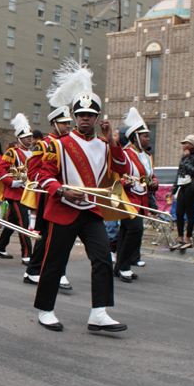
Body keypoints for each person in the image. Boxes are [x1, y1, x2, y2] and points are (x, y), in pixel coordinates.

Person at [32, 60, 129, 333]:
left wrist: (113, 142)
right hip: (63, 208)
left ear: (98, 118)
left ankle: (99, 312)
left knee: (102, 259)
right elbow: (42, 176)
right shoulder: (59, 145)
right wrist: (61, 189)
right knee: (55, 260)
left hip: (91, 210)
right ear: (74, 117)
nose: (85, 119)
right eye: (81, 114)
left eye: (90, 115)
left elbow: (123, 169)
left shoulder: (104, 144)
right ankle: (46, 309)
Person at [21, 97, 73, 290]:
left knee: (54, 236)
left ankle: (35, 270)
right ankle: (49, 272)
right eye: (63, 123)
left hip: (68, 195)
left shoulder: (70, 143)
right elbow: (32, 172)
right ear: (53, 124)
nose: (67, 126)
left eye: (68, 122)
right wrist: (52, 184)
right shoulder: (43, 145)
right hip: (48, 195)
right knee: (51, 235)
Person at [114, 108, 157, 282]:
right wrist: (126, 183)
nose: (148, 138)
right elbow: (115, 176)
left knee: (126, 232)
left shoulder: (147, 156)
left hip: (141, 199)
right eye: (145, 136)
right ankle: (124, 266)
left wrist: (155, 183)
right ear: (135, 137)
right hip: (127, 200)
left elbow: (150, 176)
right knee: (135, 230)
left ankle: (119, 267)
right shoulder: (125, 154)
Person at [0, 113, 34, 263]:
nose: (30, 139)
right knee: (23, 224)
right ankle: (27, 255)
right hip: (15, 193)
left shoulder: (33, 152)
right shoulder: (12, 152)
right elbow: (0, 171)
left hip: (26, 192)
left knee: (11, 223)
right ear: (19, 138)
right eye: (27, 137)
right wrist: (11, 182)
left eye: (31, 137)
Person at [170, 134, 194, 250]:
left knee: (189, 213)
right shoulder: (183, 157)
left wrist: (187, 159)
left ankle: (188, 239)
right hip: (182, 186)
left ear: (192, 145)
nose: (183, 145)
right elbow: (179, 174)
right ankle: (180, 239)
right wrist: (173, 190)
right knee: (179, 213)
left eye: (186, 143)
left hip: (191, 186)